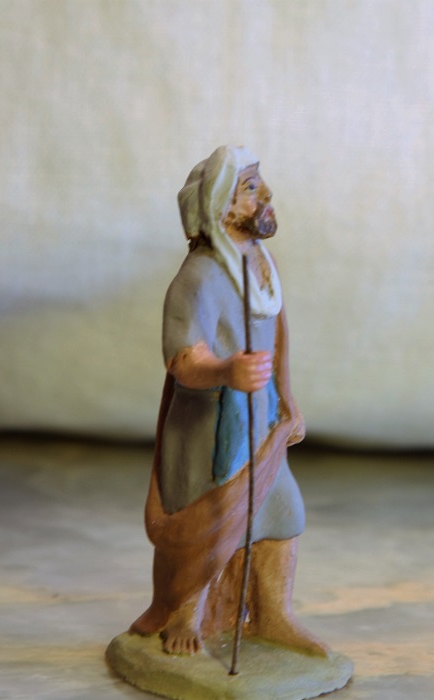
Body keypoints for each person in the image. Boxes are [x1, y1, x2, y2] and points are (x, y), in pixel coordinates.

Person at [130, 145, 328, 658]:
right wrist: (223, 371)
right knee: (211, 522)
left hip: (261, 419)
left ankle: (273, 614)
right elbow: (182, 358)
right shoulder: (198, 277)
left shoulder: (262, 264)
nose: (266, 195)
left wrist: (288, 400)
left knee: (283, 511)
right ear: (222, 205)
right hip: (209, 426)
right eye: (251, 188)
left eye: (260, 184)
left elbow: (277, 339)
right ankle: (184, 615)